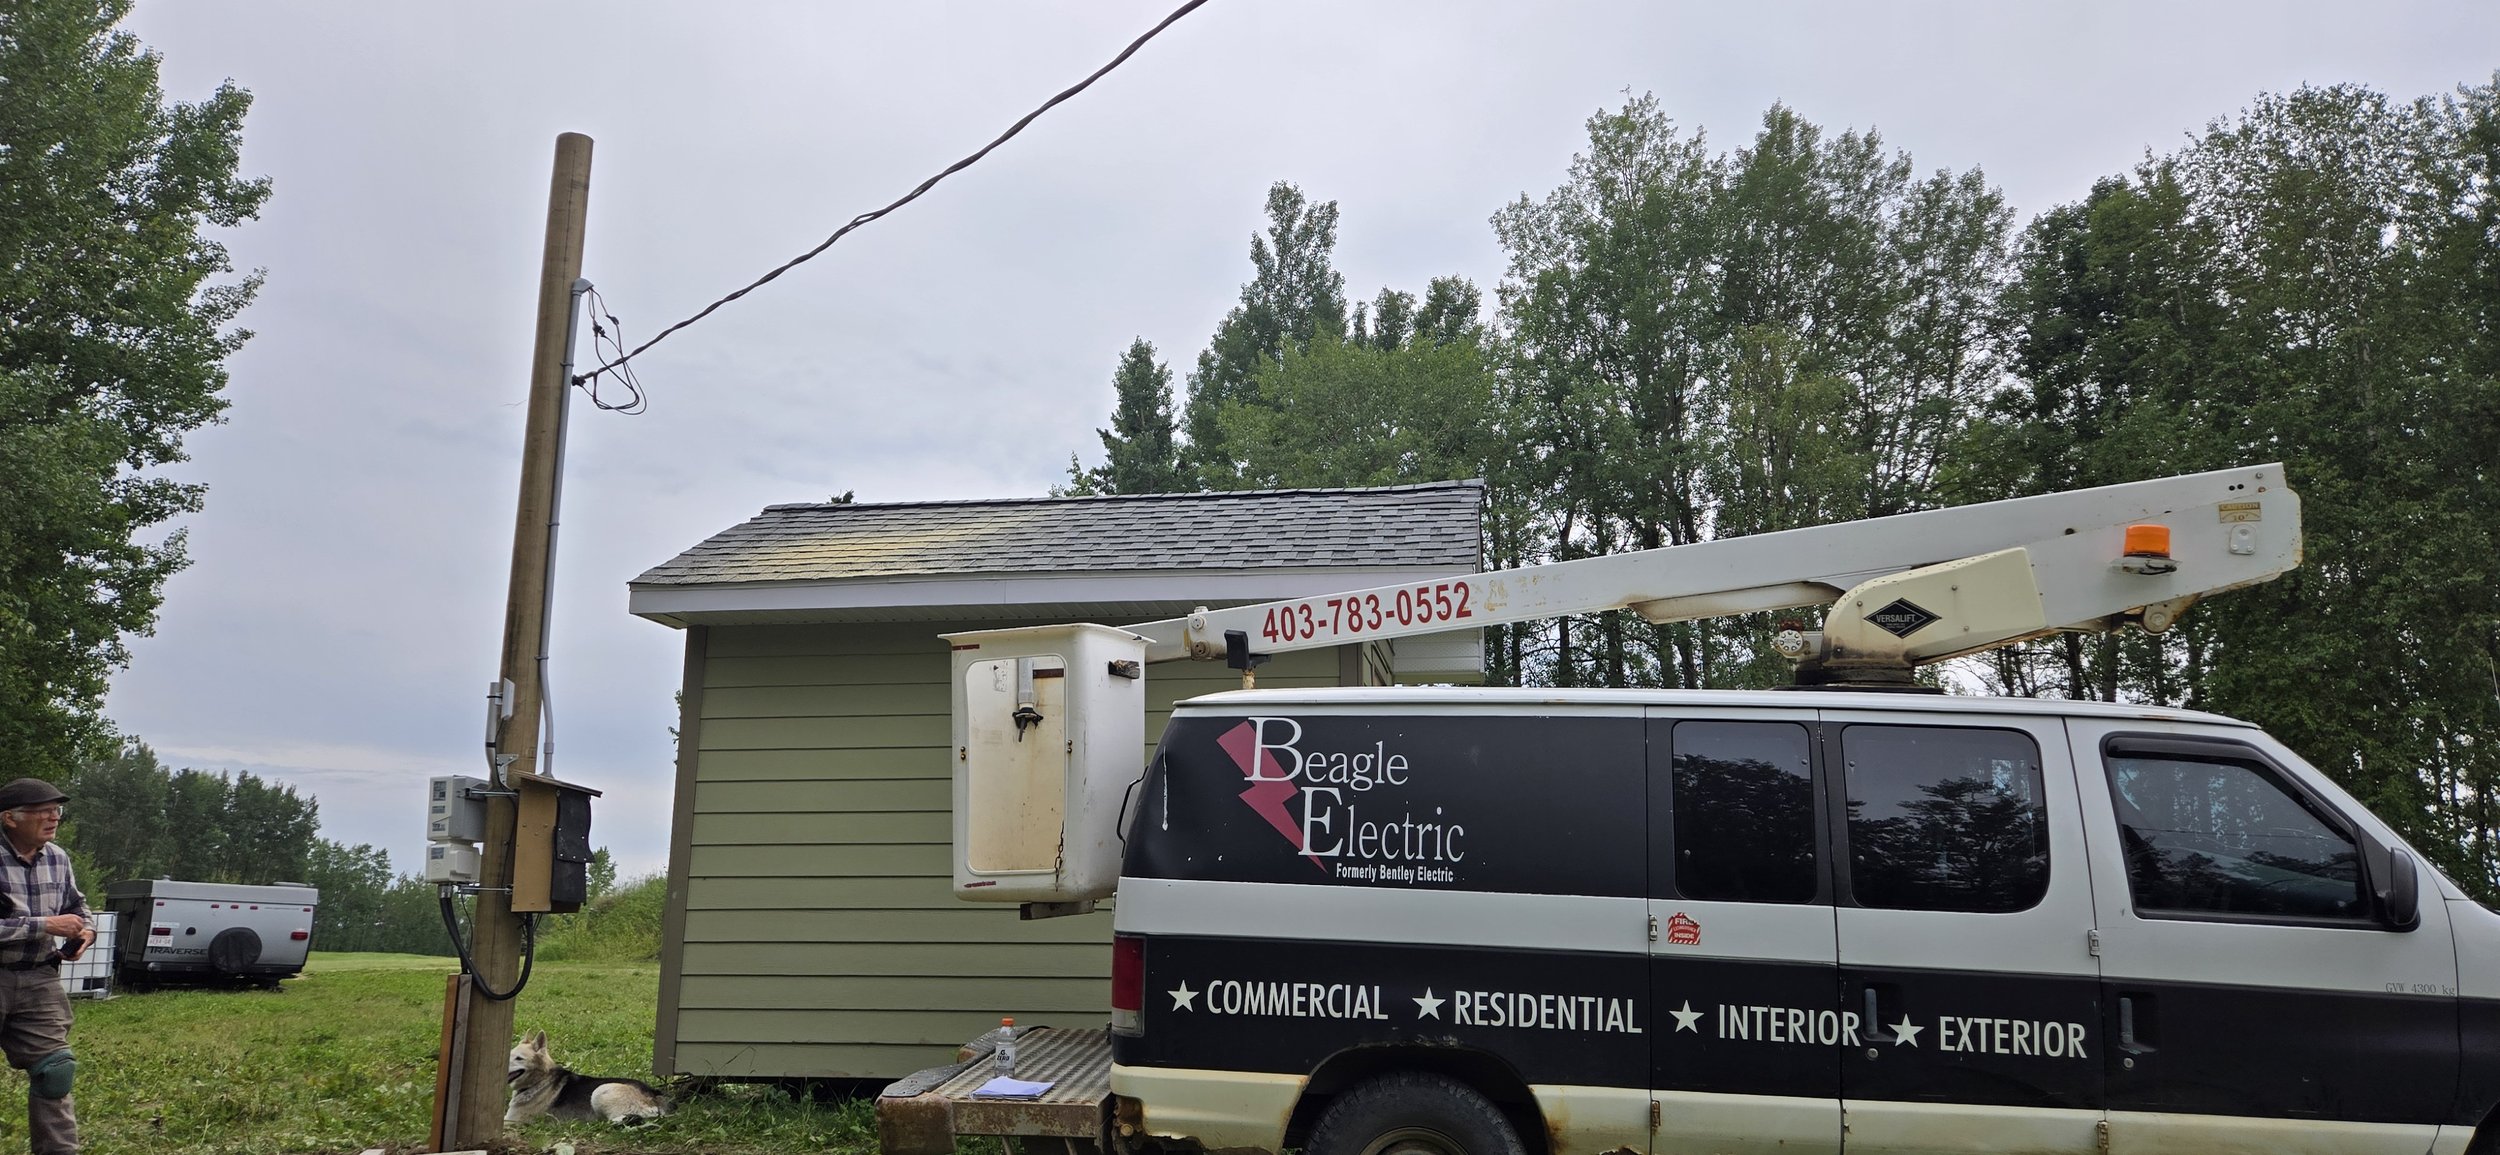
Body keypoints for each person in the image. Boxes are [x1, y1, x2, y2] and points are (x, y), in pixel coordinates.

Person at [0, 779, 89, 1155]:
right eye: (43, 810)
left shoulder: (58, 857)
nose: (54, 817)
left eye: (57, 810)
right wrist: (45, 925)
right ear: (10, 818)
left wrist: (85, 931)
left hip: (39, 978)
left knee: (56, 1072)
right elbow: (51, 921)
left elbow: (77, 907)